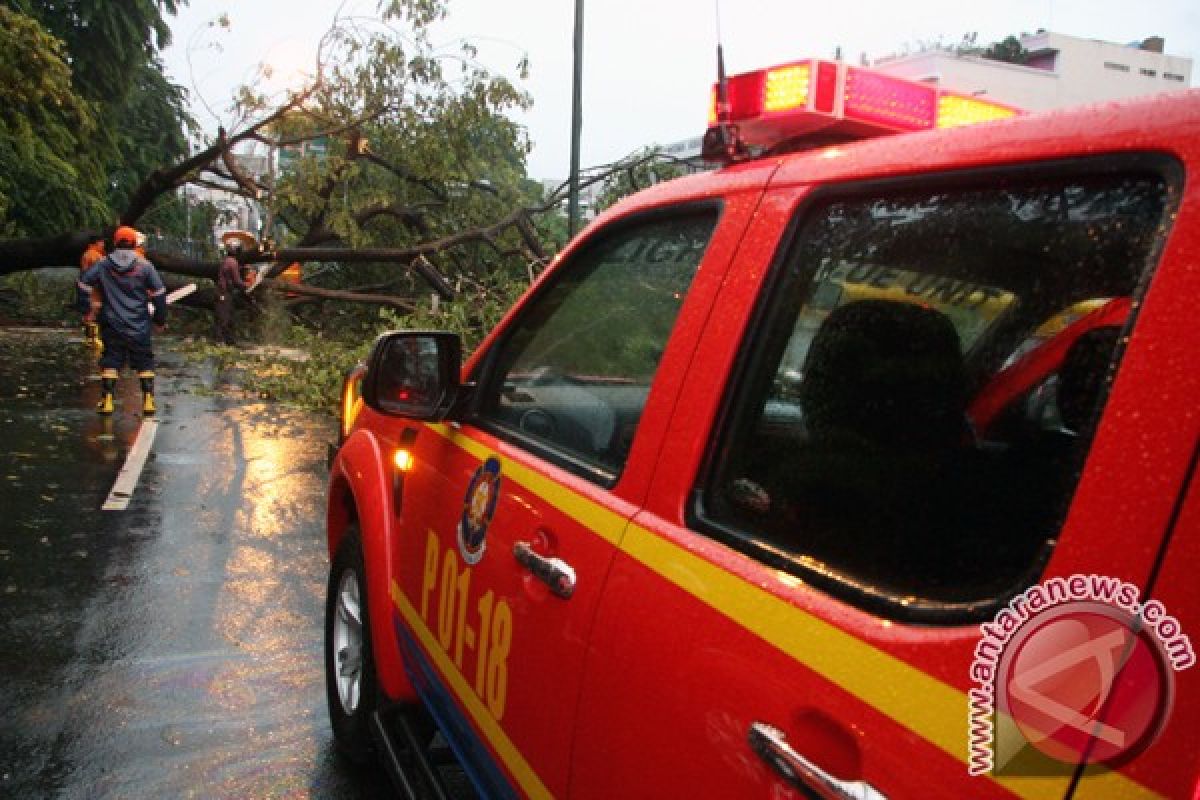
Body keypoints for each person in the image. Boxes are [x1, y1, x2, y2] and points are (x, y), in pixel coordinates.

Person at [78, 225, 167, 415]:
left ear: (115, 242)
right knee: (144, 361)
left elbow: (83, 283)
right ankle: (148, 401)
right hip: (139, 324)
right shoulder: (144, 265)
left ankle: (107, 401)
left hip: (112, 322)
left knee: (111, 359)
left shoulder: (104, 264)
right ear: (134, 243)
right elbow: (159, 293)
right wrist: (160, 319)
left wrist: (85, 308)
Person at [215, 241, 248, 345]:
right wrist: (246, 286)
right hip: (223, 292)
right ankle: (220, 341)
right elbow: (237, 281)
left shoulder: (227, 261)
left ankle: (229, 340)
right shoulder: (233, 262)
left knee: (229, 316)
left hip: (224, 292)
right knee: (224, 317)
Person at [78, 233, 105, 347]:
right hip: (94, 291)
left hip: (85, 289)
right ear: (97, 243)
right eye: (102, 242)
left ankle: (90, 340)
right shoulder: (96, 256)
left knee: (88, 314)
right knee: (93, 314)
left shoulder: (86, 254)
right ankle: (94, 341)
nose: (103, 245)